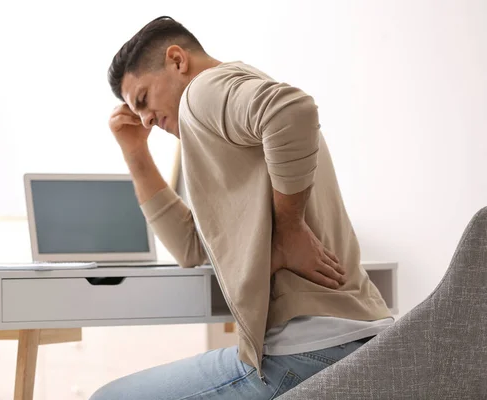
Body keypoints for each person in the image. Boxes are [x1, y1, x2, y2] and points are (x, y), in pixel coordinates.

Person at [91, 16, 393, 400]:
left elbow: (292, 110)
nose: (145, 119)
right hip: (351, 338)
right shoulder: (223, 117)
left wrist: (288, 230)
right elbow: (191, 248)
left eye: (143, 100)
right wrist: (135, 151)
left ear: (177, 61)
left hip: (307, 348)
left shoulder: (204, 90)